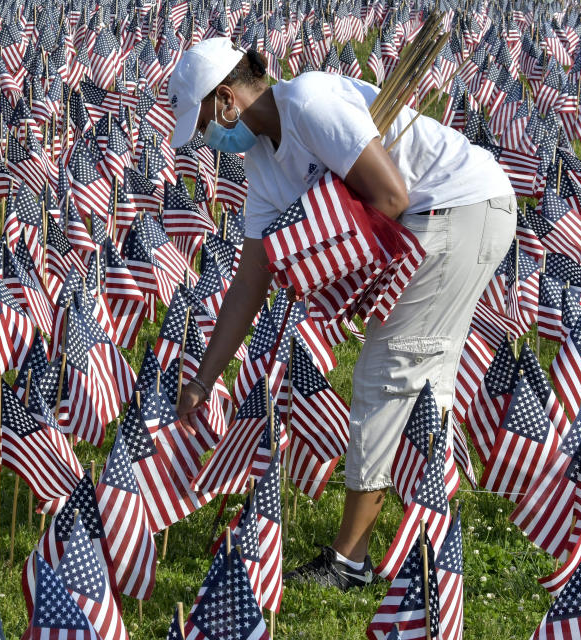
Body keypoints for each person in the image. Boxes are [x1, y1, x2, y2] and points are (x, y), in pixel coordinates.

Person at [169, 37, 515, 590]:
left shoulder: (309, 102)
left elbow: (390, 196)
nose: (208, 138)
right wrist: (203, 379)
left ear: (229, 99)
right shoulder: (262, 162)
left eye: (206, 119)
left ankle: (349, 562)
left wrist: (319, 237)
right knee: (420, 378)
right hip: (432, 221)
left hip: (457, 206)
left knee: (388, 373)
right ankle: (428, 529)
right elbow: (249, 282)